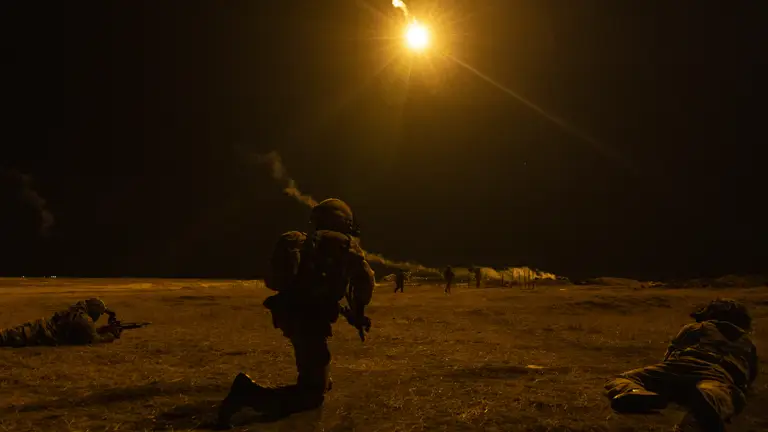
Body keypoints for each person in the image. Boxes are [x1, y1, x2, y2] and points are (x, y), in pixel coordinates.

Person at [217, 198, 375, 427]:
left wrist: (347, 314)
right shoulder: (344, 245)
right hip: (307, 319)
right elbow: (364, 283)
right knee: (312, 395)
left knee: (320, 377)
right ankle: (246, 394)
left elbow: (304, 288)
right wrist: (358, 311)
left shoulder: (306, 243)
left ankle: (304, 385)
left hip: (294, 314)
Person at [604, 298, 759, 432]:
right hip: (717, 372)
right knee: (716, 390)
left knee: (624, 378)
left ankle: (635, 391)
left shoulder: (697, 327)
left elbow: (670, 354)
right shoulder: (747, 342)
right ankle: (711, 398)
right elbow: (749, 375)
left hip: (680, 365)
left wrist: (664, 375)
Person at [0, 297, 121, 347]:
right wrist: (110, 335)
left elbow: (86, 332)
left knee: (9, 333)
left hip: (40, 326)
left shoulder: (78, 311)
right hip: (40, 333)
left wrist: (103, 329)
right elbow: (92, 339)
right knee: (9, 337)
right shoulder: (84, 321)